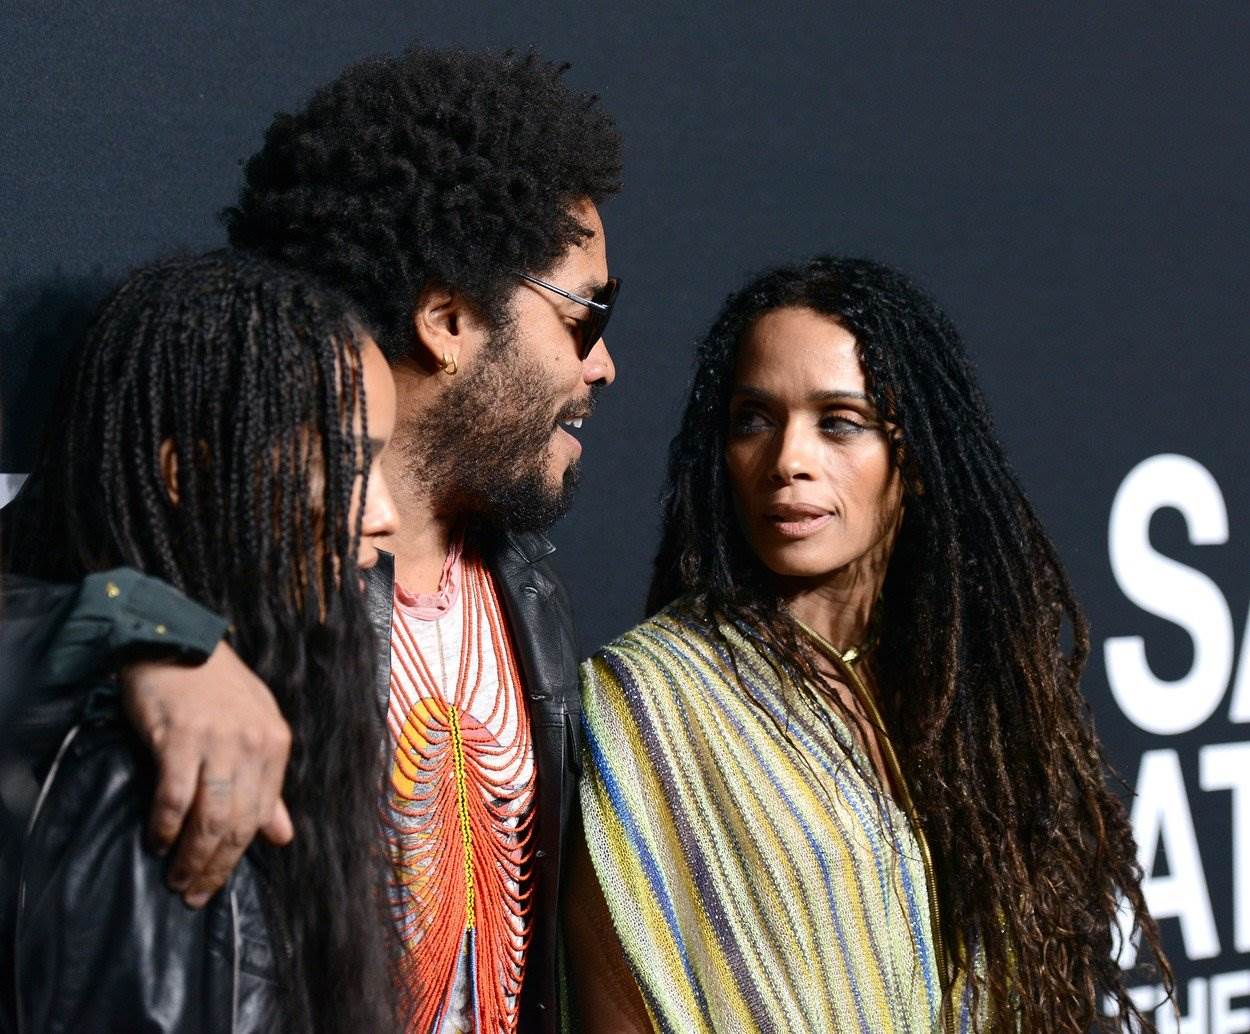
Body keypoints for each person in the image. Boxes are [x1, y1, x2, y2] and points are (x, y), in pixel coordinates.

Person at [568, 256, 1172, 1033]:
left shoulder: (963, 689)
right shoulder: (650, 698)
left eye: (839, 422)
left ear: (911, 456)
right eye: (754, 420)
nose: (788, 460)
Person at [217, 46, 621, 1033]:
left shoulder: (527, 587)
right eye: (586, 314)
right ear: (446, 319)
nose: (604, 364)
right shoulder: (235, 581)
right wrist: (153, 641)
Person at [0, 250, 402, 1032]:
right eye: (350, 465)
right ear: (188, 474)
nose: (385, 517)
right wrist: (142, 630)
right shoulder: (159, 775)